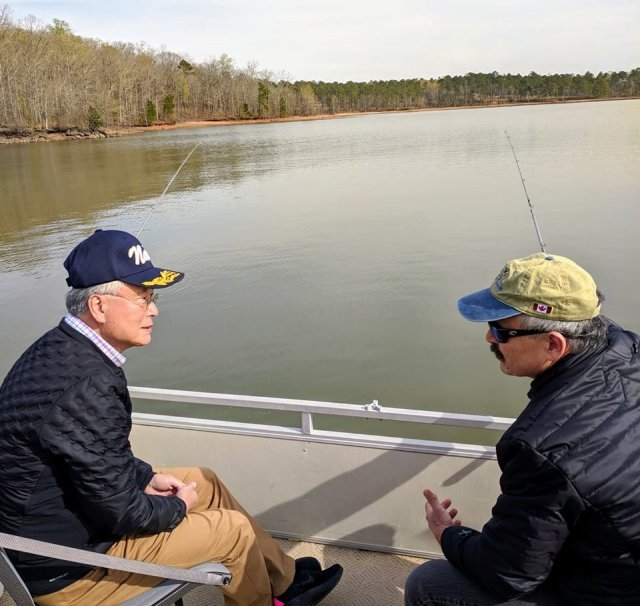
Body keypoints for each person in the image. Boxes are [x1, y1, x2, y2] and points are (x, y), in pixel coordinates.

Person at [0, 229, 342, 606]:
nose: (154, 310)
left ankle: (284, 582)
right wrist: (177, 507)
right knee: (232, 532)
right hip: (68, 569)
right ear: (98, 306)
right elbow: (122, 513)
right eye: (143, 299)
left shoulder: (60, 348)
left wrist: (145, 477)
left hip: (62, 531)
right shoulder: (87, 383)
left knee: (204, 481)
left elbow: (88, 455)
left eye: (153, 297)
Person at [405, 252, 640, 606]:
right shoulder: (630, 346)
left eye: (501, 329)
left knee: (429, 584)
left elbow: (507, 575)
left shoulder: (542, 448)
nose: (489, 338)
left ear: (554, 344)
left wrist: (450, 535)